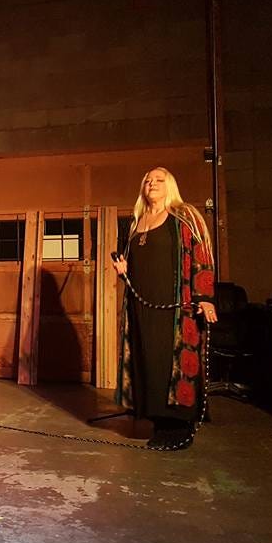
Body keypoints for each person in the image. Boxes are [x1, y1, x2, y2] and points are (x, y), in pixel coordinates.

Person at [111, 167, 216, 450]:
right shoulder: (136, 222)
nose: (152, 183)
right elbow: (138, 263)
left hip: (175, 306)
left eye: (159, 180)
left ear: (170, 185)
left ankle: (179, 424)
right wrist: (124, 270)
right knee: (149, 360)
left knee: (171, 360)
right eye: (147, 180)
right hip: (142, 306)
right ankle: (159, 422)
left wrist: (204, 296)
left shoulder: (184, 216)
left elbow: (201, 254)